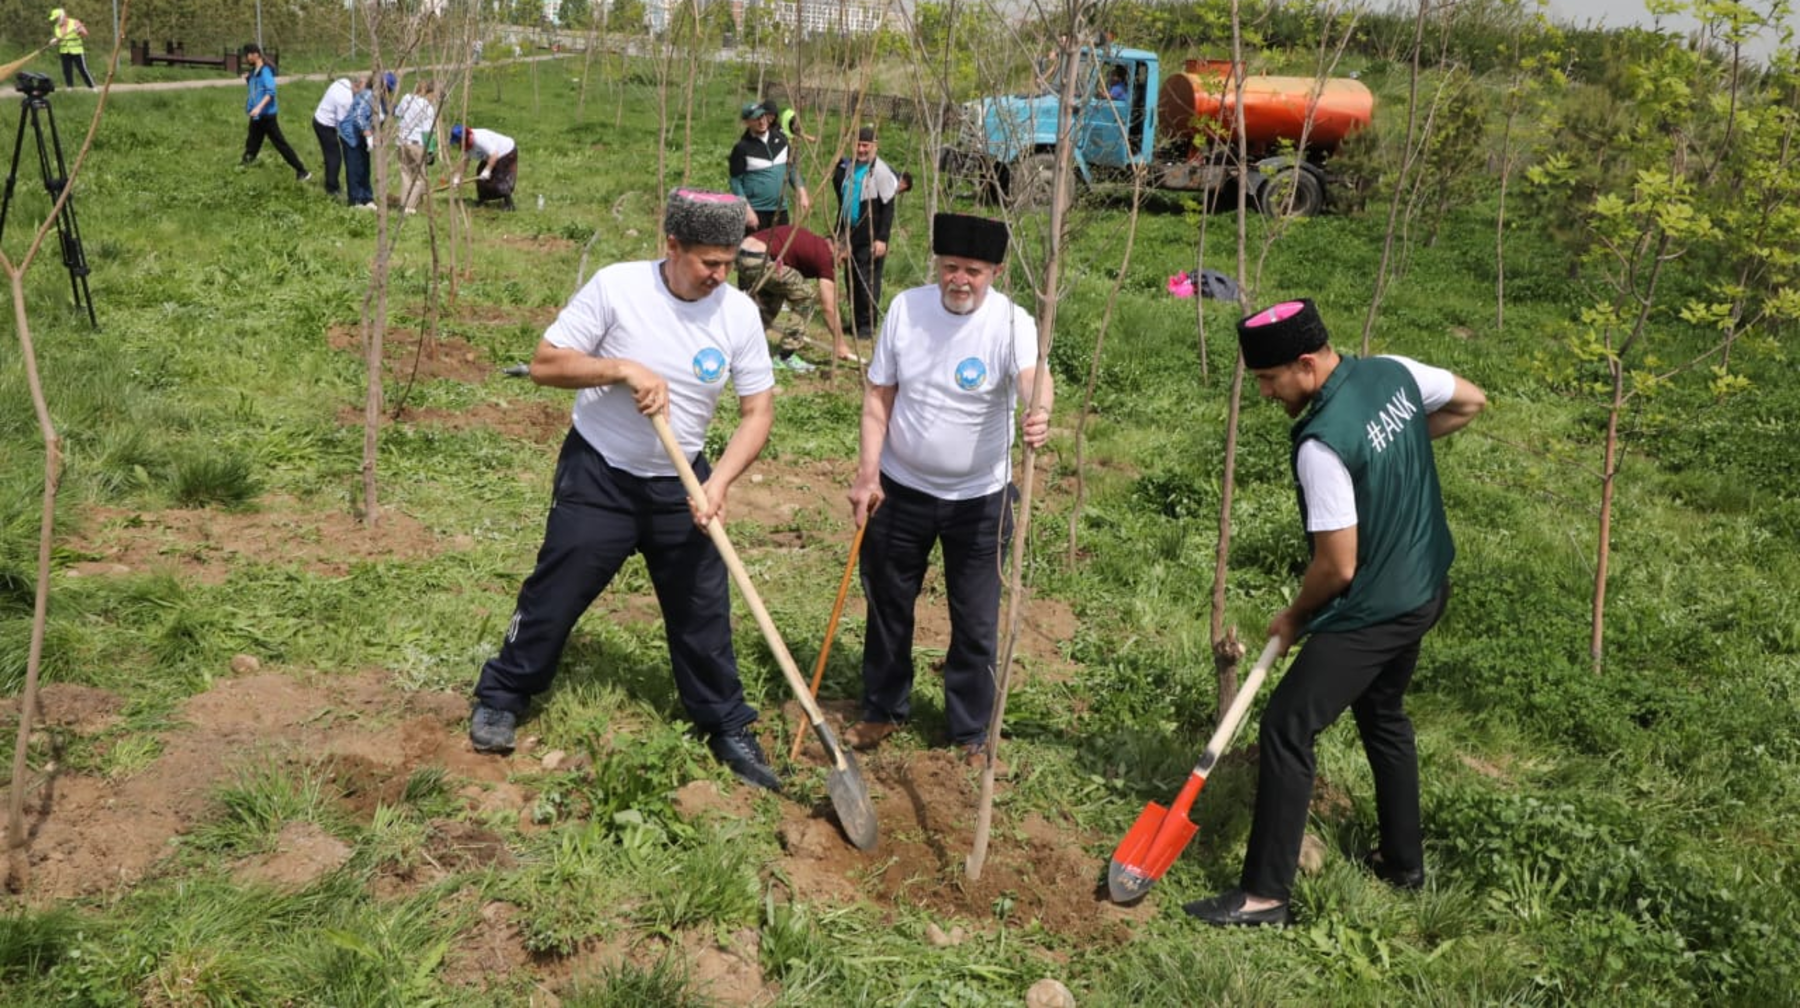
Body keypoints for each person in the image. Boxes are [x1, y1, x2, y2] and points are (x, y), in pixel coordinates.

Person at [1184, 299, 1486, 928]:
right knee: (1383, 714)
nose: (1266, 394)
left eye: (1270, 380)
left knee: (1287, 726)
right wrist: (1391, 450)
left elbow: (1337, 565)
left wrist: (1293, 617)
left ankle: (1265, 894)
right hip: (1429, 584)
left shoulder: (1321, 447)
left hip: (1376, 608)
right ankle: (1404, 865)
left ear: (1306, 363)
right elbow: (1470, 401)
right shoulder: (1393, 371)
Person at [469, 188, 782, 792]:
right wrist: (621, 368)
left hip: (683, 481)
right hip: (601, 473)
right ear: (672, 246)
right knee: (557, 591)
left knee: (702, 610)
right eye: (708, 263)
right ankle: (503, 694)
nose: (720, 276)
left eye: (728, 263)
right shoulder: (619, 288)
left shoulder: (738, 314)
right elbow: (545, 363)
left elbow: (757, 412)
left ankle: (725, 724)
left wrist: (718, 482)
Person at [844, 213, 1053, 768]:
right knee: (888, 604)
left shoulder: (1013, 323)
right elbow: (878, 397)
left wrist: (1040, 409)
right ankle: (883, 708)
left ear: (997, 272)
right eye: (951, 267)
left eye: (975, 271)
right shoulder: (906, 310)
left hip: (980, 499)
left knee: (977, 618)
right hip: (900, 490)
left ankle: (969, 730)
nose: (960, 280)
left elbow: (1033, 376)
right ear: (938, 265)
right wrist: (868, 473)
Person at [735, 223, 849, 371]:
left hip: (742, 253)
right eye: (844, 259)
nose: (840, 265)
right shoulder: (824, 256)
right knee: (806, 297)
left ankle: (740, 349)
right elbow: (829, 308)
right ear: (837, 248)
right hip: (760, 258)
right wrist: (840, 344)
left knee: (770, 301)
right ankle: (786, 356)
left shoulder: (812, 243)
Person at [832, 125, 902, 348]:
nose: (861, 149)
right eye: (858, 144)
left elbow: (888, 207)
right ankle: (854, 321)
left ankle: (867, 325)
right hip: (849, 232)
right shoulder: (849, 167)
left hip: (869, 236)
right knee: (851, 278)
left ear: (874, 146)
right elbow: (842, 201)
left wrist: (882, 238)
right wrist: (839, 233)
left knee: (867, 281)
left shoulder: (881, 172)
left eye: (865, 145)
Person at [728, 100, 809, 230]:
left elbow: (791, 169)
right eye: (755, 119)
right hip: (756, 211)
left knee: (780, 249)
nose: (761, 122)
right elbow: (735, 182)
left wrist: (802, 193)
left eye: (762, 116)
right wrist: (747, 211)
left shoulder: (781, 140)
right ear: (747, 122)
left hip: (780, 209)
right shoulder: (742, 148)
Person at [240, 43, 311, 181]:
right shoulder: (255, 71)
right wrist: (249, 80)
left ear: (255, 54)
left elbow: (270, 92)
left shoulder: (265, 71)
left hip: (266, 116)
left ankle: (302, 171)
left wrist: (259, 108)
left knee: (280, 144)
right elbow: (257, 90)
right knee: (252, 143)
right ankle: (243, 167)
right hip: (257, 116)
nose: (246, 58)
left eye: (247, 55)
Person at [393, 79, 439, 215]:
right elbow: (427, 132)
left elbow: (398, 113)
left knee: (405, 173)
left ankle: (404, 204)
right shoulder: (427, 108)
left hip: (402, 142)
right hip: (416, 143)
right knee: (419, 178)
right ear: (429, 92)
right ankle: (410, 207)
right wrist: (430, 151)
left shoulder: (406, 98)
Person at [449, 123, 517, 210]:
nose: (458, 144)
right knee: (480, 173)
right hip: (491, 156)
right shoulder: (466, 145)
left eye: (458, 141)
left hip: (506, 151)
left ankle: (509, 204)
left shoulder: (480, 139)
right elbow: (465, 161)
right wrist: (457, 177)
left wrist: (488, 170)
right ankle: (482, 200)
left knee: (500, 177)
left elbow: (494, 154)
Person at [311, 76, 355, 200]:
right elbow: (343, 124)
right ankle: (332, 188)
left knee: (330, 154)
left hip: (319, 116)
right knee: (334, 157)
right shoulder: (345, 100)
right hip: (324, 125)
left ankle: (330, 182)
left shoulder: (344, 81)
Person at [338, 75, 377, 209]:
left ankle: (367, 198)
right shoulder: (368, 96)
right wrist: (367, 133)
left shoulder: (380, 99)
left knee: (365, 167)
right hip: (351, 135)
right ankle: (355, 200)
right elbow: (358, 116)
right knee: (354, 167)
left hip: (362, 136)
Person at [47, 8, 93, 89]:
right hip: (64, 51)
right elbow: (60, 38)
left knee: (82, 69)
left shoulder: (75, 22)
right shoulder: (56, 27)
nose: (56, 21)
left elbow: (85, 34)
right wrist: (54, 41)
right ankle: (70, 87)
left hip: (76, 51)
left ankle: (92, 87)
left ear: (62, 16)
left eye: (57, 18)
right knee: (67, 70)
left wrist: (78, 31)